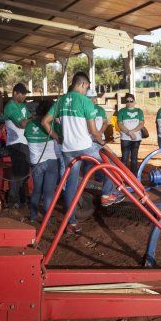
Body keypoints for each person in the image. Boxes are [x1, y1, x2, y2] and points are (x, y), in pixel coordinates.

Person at [41, 72, 123, 234]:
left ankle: (71, 222)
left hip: (67, 149)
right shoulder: (85, 101)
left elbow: (45, 122)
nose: (87, 91)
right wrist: (101, 140)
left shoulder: (61, 100)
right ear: (83, 84)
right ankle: (107, 194)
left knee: (71, 184)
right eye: (87, 88)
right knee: (111, 162)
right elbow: (93, 131)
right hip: (84, 146)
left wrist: (57, 137)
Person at [25, 100, 58, 223]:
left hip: (36, 162)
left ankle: (33, 216)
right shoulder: (52, 124)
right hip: (51, 162)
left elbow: (27, 137)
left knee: (37, 190)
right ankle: (47, 219)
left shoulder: (29, 125)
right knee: (48, 192)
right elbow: (59, 139)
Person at [3, 83, 32, 208]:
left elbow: (29, 119)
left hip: (25, 142)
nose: (24, 96)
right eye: (23, 93)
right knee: (18, 172)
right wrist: (34, 118)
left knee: (24, 171)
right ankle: (13, 199)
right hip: (16, 143)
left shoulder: (23, 105)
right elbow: (22, 124)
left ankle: (21, 198)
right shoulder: (10, 106)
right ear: (15, 93)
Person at [117, 93, 145, 174]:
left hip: (136, 138)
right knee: (124, 159)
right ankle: (123, 176)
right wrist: (129, 133)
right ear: (125, 102)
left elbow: (141, 124)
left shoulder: (139, 111)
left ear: (134, 101)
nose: (129, 102)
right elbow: (120, 124)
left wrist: (132, 132)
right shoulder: (121, 111)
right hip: (125, 138)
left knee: (134, 159)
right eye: (127, 101)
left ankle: (133, 177)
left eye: (131, 101)